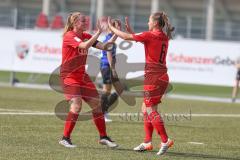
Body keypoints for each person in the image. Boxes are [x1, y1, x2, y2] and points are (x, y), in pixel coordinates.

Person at [108, 12, 174, 155]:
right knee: (145, 109)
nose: (147, 23)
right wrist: (131, 32)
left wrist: (111, 28)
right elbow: (140, 38)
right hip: (162, 76)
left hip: (153, 78)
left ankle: (165, 140)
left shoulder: (150, 35)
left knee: (151, 110)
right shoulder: (163, 36)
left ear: (155, 23)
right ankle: (147, 142)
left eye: (149, 21)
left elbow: (126, 37)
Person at [59, 12, 118, 148]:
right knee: (77, 105)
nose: (86, 23)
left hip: (82, 76)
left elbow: (105, 47)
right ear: (74, 23)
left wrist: (116, 33)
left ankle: (103, 137)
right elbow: (84, 46)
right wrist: (98, 33)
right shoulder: (69, 36)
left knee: (97, 105)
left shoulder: (85, 36)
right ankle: (65, 138)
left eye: (85, 20)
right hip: (69, 76)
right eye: (83, 21)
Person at [100, 19, 121, 122]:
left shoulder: (110, 38)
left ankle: (103, 111)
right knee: (107, 90)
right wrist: (112, 69)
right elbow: (108, 53)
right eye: (116, 27)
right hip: (106, 66)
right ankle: (102, 113)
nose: (118, 29)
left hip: (107, 66)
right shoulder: (109, 38)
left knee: (118, 90)